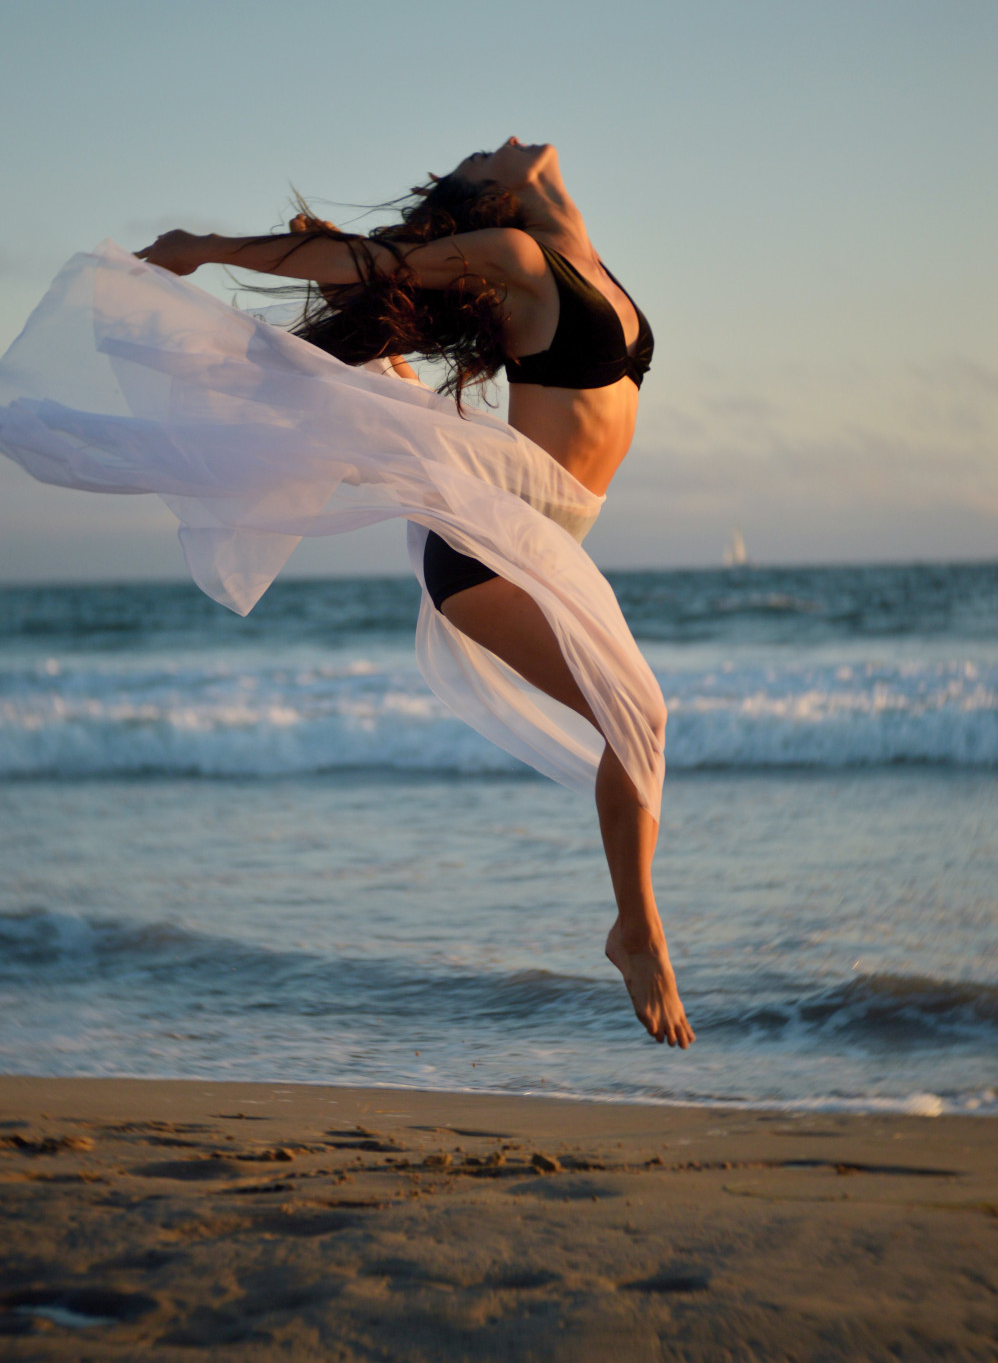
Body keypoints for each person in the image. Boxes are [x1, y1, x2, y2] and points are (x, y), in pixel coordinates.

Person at [3, 137, 694, 1050]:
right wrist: (207, 244)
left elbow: (520, 211)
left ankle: (632, 924)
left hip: (537, 540)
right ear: (494, 200)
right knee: (638, 716)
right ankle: (634, 929)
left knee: (638, 720)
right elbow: (362, 263)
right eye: (482, 156)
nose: (493, 144)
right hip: (486, 552)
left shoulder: (579, 256)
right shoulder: (519, 258)